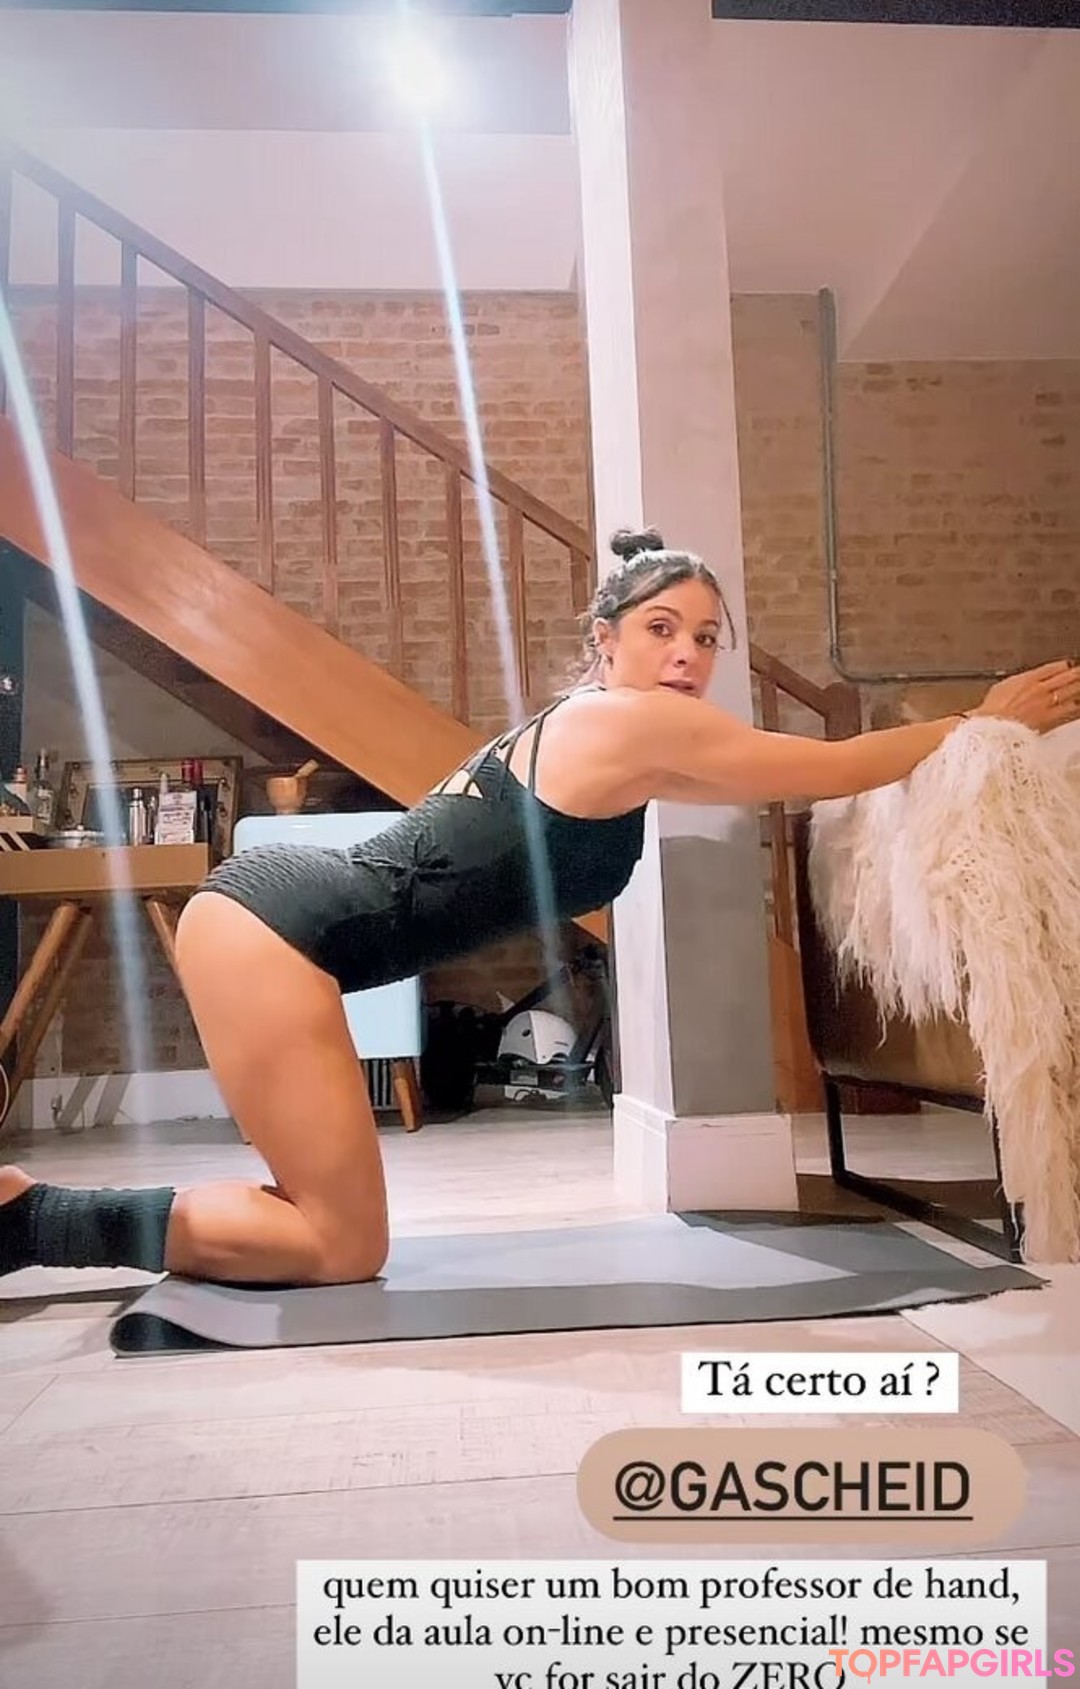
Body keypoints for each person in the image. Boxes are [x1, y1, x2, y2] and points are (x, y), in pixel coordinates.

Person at [2, 526, 1078, 1288]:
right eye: (663, 628)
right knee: (339, 1246)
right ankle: (33, 1222)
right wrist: (981, 722)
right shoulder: (623, 722)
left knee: (329, 1232)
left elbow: (775, 780)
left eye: (708, 637)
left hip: (276, 928)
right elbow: (826, 765)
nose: (689, 654)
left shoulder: (618, 735)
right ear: (607, 640)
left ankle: (27, 1217)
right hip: (273, 934)